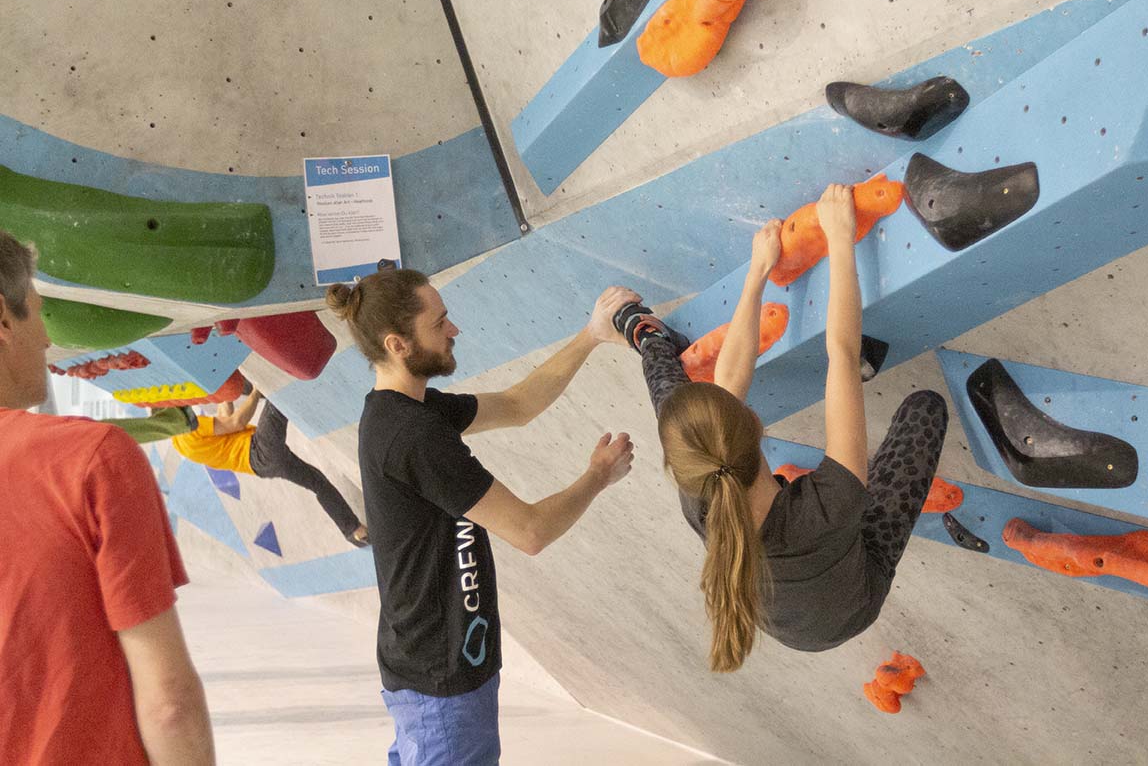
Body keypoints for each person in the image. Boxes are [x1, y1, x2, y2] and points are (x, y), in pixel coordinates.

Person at [615, 184, 948, 672]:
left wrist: (757, 274)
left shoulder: (705, 490)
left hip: (787, 619)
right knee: (926, 408)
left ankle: (651, 343)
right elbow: (841, 351)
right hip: (849, 607)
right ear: (754, 424)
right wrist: (840, 238)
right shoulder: (831, 504)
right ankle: (654, 350)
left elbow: (729, 380)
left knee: (675, 410)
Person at [326, 271, 637, 766]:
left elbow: (518, 405)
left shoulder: (407, 411)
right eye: (440, 322)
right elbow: (530, 531)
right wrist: (597, 476)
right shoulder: (413, 436)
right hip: (441, 680)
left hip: (431, 669)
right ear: (398, 344)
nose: (454, 331)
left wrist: (591, 335)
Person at [0, 230, 214, 764]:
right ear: (4, 323)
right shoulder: (93, 459)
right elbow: (169, 704)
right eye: (39, 313)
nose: (47, 340)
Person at [170, 388, 370, 547]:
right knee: (276, 389)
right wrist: (258, 388)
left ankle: (353, 531)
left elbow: (224, 419)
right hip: (259, 449)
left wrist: (226, 392)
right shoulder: (190, 430)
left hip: (262, 465)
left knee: (318, 483)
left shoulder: (180, 441)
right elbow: (236, 422)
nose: (188, 405)